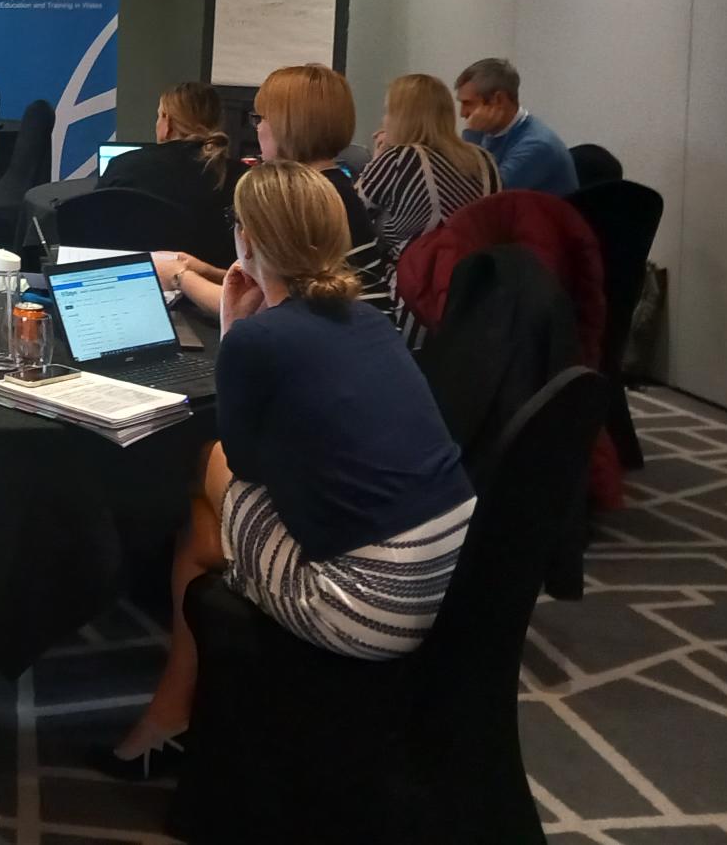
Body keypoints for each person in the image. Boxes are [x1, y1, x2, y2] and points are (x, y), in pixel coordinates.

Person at [105, 161, 475, 777]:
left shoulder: (263, 340)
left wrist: (230, 327)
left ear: (247, 240)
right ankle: (177, 711)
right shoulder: (369, 319)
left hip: (367, 603)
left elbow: (244, 465)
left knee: (204, 468)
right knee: (203, 531)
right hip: (454, 575)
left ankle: (171, 713)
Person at [164, 65, 390, 320]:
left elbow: (244, 310)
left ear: (288, 125)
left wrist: (178, 276)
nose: (257, 129)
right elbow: (270, 287)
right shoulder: (334, 186)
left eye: (261, 118)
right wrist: (206, 271)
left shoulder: (301, 198)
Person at [359, 73, 502, 261]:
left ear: (403, 118)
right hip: (473, 279)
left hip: (411, 278)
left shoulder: (401, 158)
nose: (384, 121)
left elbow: (351, 213)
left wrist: (377, 159)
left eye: (388, 112)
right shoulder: (485, 160)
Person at [94, 80, 240, 263]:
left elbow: (96, 235)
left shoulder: (124, 165)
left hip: (139, 283)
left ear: (167, 122)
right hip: (220, 287)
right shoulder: (241, 178)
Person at [456, 57, 579, 196]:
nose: (462, 113)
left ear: (498, 100)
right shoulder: (491, 134)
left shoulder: (537, 145)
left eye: (468, 103)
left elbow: (480, 196)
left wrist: (472, 135)